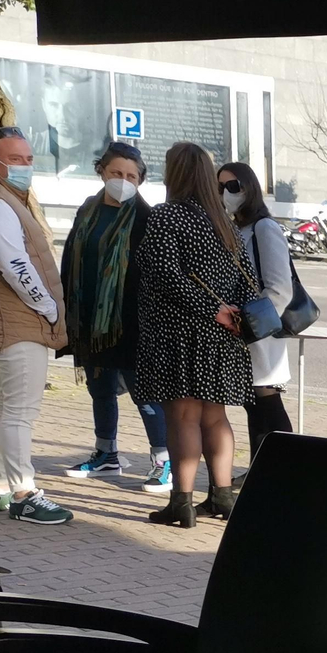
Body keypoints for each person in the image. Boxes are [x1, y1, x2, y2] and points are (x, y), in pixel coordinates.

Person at [0, 127, 73, 525]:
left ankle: (0, 485)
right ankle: (24, 492)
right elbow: (14, 264)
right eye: (16, 159)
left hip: (10, 316)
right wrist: (47, 307)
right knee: (20, 411)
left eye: (29, 159)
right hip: (18, 318)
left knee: (5, 406)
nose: (25, 166)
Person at [134, 141, 252, 527]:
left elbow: (166, 274)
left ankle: (181, 503)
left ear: (175, 173)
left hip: (179, 330)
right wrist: (230, 313)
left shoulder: (167, 215)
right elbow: (246, 280)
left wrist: (210, 309)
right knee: (215, 418)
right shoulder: (222, 221)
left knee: (182, 417)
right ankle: (222, 496)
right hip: (223, 335)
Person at [60, 141, 171, 488]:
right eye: (116, 173)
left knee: (145, 393)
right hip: (91, 319)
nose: (123, 180)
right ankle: (106, 453)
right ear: (101, 172)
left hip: (131, 322)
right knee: (100, 388)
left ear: (140, 181)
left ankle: (163, 459)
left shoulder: (147, 218)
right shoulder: (88, 210)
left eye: (131, 176)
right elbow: (69, 260)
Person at [216, 160, 294, 463]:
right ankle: (259, 471)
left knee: (268, 401)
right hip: (241, 328)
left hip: (261, 329)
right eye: (220, 186)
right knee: (254, 403)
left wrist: (250, 323)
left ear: (249, 188)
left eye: (233, 186)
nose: (226, 192)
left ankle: (285, 471)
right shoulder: (236, 227)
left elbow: (279, 288)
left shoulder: (264, 227)